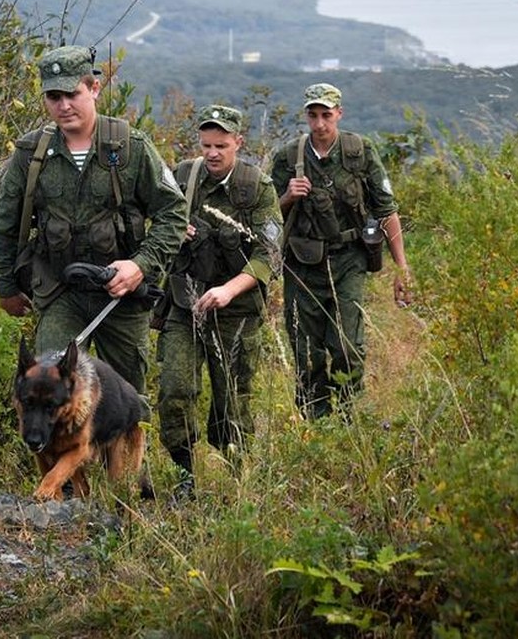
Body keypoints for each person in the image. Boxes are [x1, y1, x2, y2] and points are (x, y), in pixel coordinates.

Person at [0, 45, 187, 398]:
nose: (63, 106)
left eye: (72, 94)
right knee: (46, 389)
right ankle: (60, 453)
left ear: (93, 89)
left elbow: (173, 213)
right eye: (53, 96)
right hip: (59, 290)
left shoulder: (131, 148)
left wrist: (140, 266)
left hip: (122, 297)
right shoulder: (31, 154)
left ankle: (121, 456)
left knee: (127, 402)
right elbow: (4, 221)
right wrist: (6, 286)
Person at [155, 105, 281, 498]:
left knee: (232, 400)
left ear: (238, 143)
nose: (212, 153)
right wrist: (176, 229)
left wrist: (229, 290)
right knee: (175, 390)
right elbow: (156, 219)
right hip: (185, 303)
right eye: (206, 144)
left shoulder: (256, 187)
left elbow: (270, 254)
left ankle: (236, 481)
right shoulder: (183, 177)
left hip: (235, 313)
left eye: (221, 145)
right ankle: (184, 476)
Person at [270, 83, 412, 420]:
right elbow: (266, 218)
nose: (319, 124)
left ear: (339, 114)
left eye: (326, 116)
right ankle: (314, 422)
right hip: (302, 263)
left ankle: (349, 417)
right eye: (313, 115)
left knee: (347, 345)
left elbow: (386, 210)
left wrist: (402, 267)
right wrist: (289, 196)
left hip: (349, 258)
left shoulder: (359, 152)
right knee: (306, 350)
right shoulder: (289, 157)